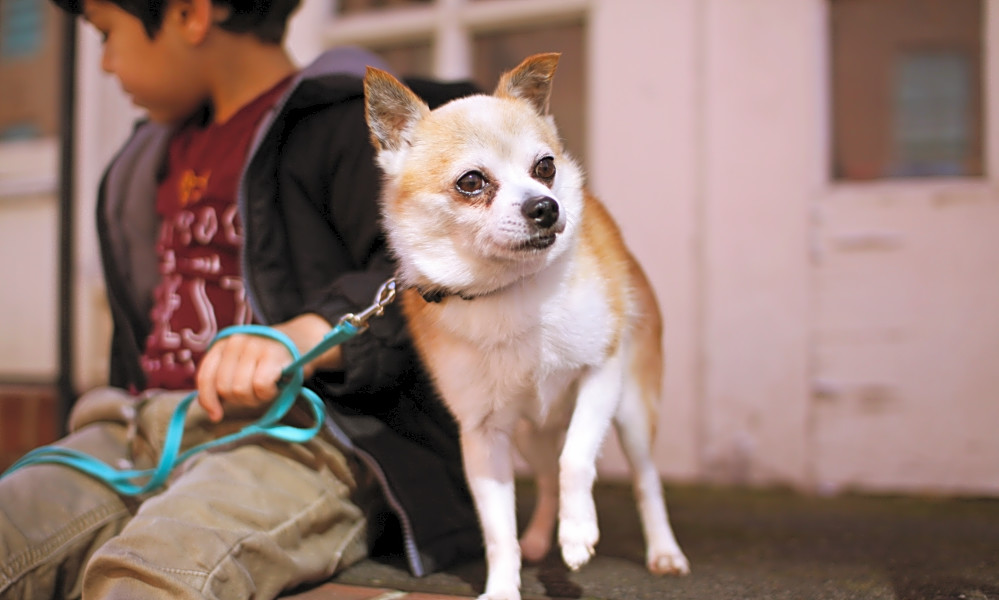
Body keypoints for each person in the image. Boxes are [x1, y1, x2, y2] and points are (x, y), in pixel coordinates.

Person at [0, 1, 482, 598]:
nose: (105, 64)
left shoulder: (349, 129)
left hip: (293, 441)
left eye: (107, 34)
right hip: (140, 431)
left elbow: (440, 270)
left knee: (153, 575)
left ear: (190, 14)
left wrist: (308, 333)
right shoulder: (150, 160)